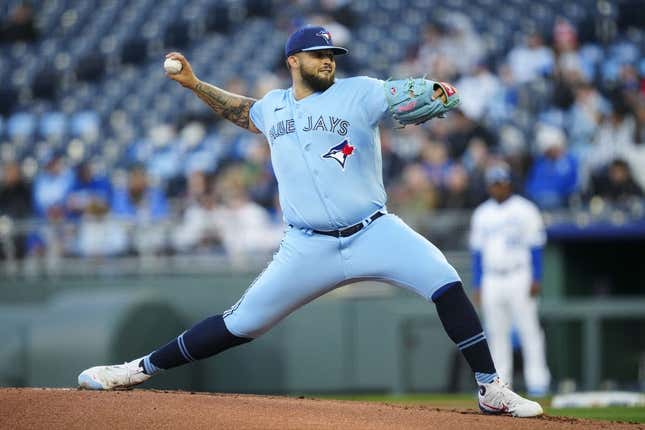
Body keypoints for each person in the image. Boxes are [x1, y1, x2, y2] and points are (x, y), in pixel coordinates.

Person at [78, 26, 542, 417]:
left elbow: (400, 93)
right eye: (319, 55)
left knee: (444, 279)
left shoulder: (359, 91)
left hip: (373, 230)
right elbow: (242, 110)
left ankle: (490, 387)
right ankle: (136, 370)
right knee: (241, 324)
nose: (329, 61)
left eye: (332, 55)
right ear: (294, 60)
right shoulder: (274, 106)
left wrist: (434, 91)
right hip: (306, 247)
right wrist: (197, 85)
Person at [470, 163, 551, 397]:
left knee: (529, 330)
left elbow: (536, 246)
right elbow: (477, 253)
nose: (498, 187)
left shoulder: (525, 209)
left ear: (509, 183)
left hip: (519, 274)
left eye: (501, 183)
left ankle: (538, 382)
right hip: (492, 277)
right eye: (494, 184)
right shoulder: (482, 213)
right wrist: (478, 283)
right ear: (489, 186)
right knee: (496, 333)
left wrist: (536, 276)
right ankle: (501, 386)